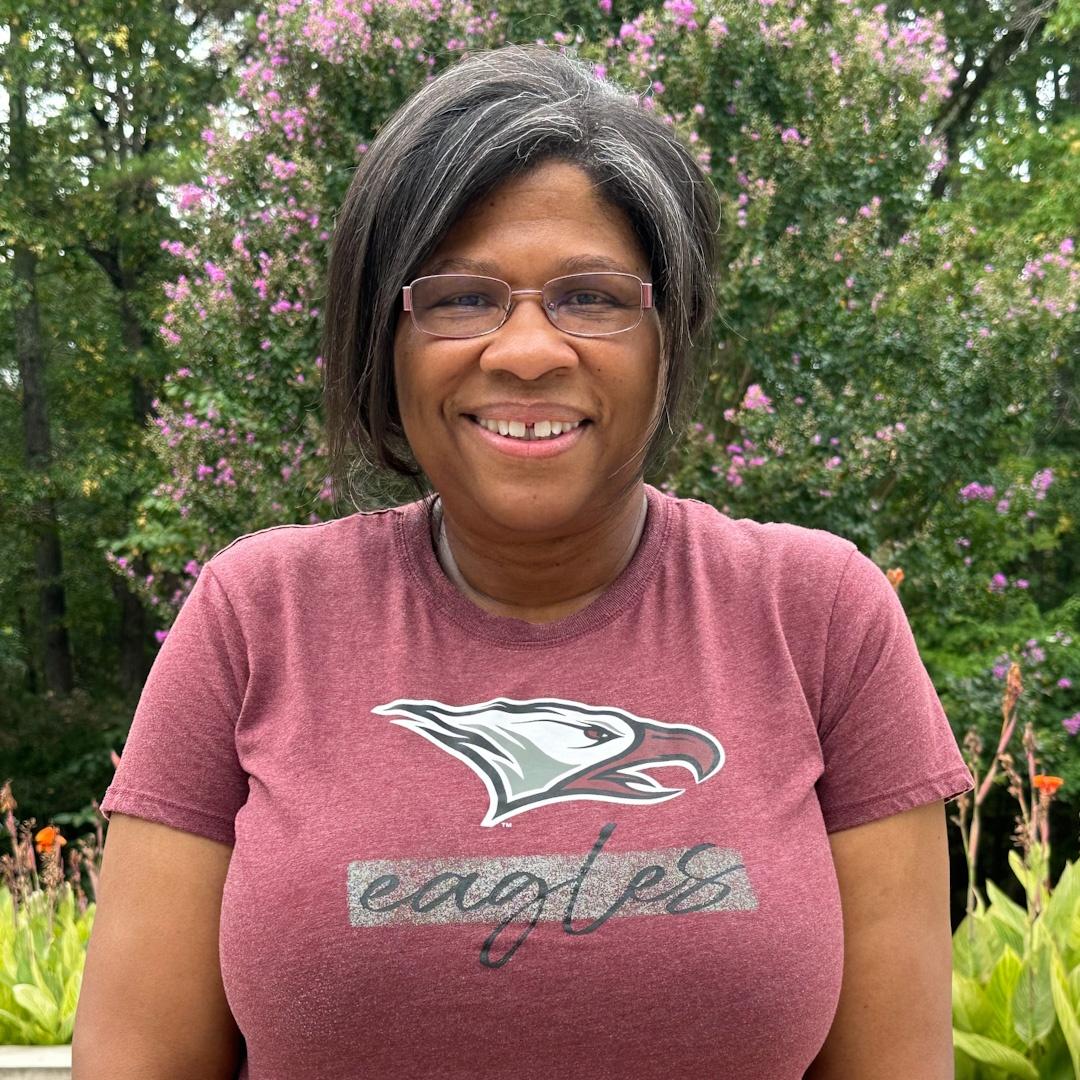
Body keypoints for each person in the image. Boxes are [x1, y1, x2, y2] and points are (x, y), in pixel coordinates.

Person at [72, 44, 974, 1080]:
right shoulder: (255, 615)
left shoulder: (820, 618)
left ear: (670, 332)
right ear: (383, 337)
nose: (530, 350)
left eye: (592, 297)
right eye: (460, 297)